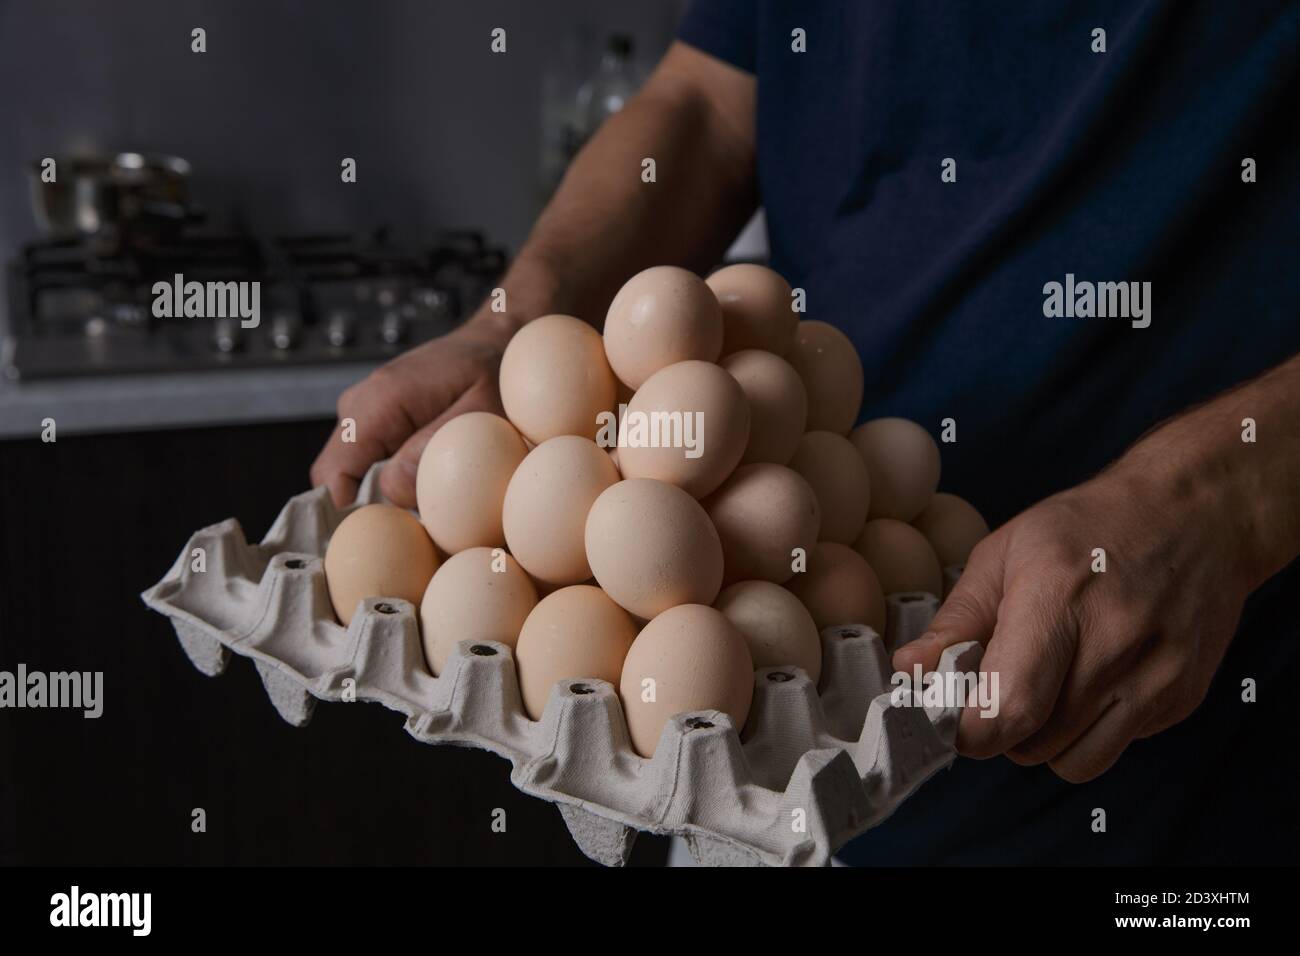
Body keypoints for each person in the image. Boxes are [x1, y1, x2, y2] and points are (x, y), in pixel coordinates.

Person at [312, 1, 1300, 864]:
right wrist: (516, 324)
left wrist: (1228, 495)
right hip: (772, 772)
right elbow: (706, 104)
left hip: (1189, 761)